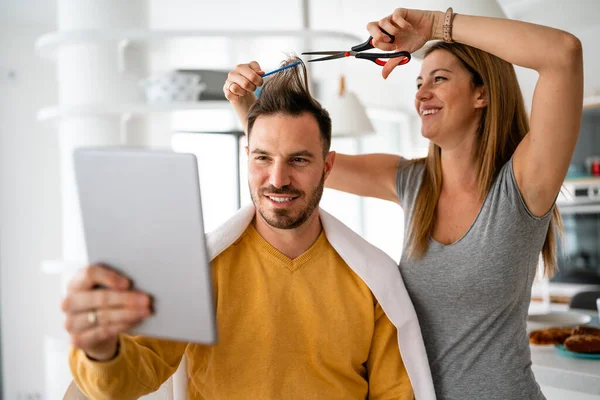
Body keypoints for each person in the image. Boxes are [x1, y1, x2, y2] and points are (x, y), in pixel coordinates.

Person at [225, 7, 584, 400]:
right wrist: (244, 102)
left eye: (439, 79)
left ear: (481, 93)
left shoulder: (522, 185)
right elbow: (299, 163)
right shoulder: (412, 182)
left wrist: (433, 27)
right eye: (418, 82)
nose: (421, 94)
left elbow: (563, 55)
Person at [63, 57, 436, 399]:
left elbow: (396, 394)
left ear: (327, 166)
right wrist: (100, 350)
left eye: (299, 160)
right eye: (263, 158)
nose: (278, 178)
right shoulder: (200, 272)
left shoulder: (373, 281)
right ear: (247, 157)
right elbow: (131, 374)